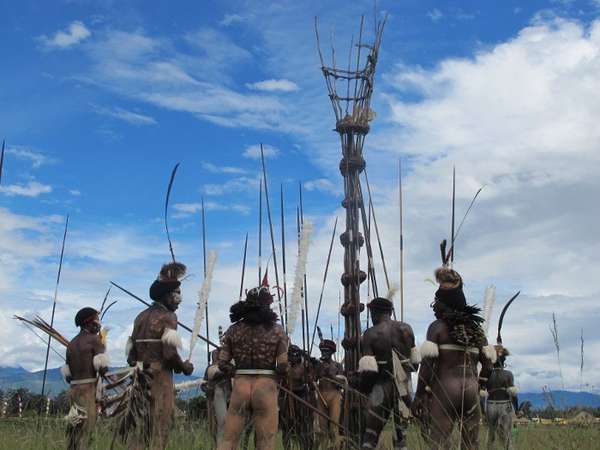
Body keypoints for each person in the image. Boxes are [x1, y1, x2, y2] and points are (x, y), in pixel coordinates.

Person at [412, 267, 496, 450]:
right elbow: (489, 365)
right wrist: (479, 383)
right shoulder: (477, 331)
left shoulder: (437, 328)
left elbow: (426, 366)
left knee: (439, 443)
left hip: (445, 390)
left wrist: (419, 395)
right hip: (471, 391)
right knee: (471, 444)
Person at [126, 262, 194, 450]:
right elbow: (169, 353)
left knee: (140, 427)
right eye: (177, 294)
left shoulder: (140, 316)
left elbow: (130, 355)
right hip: (159, 378)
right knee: (159, 428)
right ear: (167, 296)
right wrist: (184, 367)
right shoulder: (169, 317)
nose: (179, 300)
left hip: (139, 377)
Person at [217, 283, 289, 450]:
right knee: (265, 442)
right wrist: (282, 374)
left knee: (228, 441)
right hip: (265, 386)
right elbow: (283, 366)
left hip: (240, 386)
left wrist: (234, 371)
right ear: (267, 304)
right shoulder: (277, 331)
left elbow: (222, 364)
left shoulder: (233, 330)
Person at [358, 296, 420, 450]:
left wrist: (362, 387)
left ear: (374, 313)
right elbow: (415, 363)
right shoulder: (406, 328)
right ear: (389, 312)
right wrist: (403, 375)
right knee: (401, 437)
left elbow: (369, 371)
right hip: (405, 388)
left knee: (370, 436)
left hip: (381, 386)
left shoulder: (371, 334)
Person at [61, 307, 109, 450]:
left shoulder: (71, 344)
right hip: (88, 391)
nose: (99, 324)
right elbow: (102, 368)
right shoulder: (94, 340)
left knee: (74, 431)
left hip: (74, 391)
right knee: (86, 432)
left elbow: (68, 376)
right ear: (89, 323)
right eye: (97, 321)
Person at [481, 345, 517, 450]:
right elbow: (514, 395)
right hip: (505, 405)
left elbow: (482, 394)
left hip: (490, 405)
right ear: (503, 360)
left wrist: (483, 411)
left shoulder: (487, 374)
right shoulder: (508, 374)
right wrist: (518, 409)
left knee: (491, 433)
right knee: (507, 434)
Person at [280, 344, 314, 449]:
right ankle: (287, 446)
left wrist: (308, 377)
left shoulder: (305, 366)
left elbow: (311, 384)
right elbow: (279, 379)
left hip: (302, 395)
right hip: (288, 395)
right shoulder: (285, 365)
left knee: (303, 423)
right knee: (286, 424)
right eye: (291, 355)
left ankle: (306, 445)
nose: (293, 358)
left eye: (295, 355)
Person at [315, 339, 345, 449]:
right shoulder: (319, 366)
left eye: (326, 351)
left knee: (334, 426)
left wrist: (330, 375)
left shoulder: (337, 366)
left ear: (332, 352)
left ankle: (336, 446)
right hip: (321, 395)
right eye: (322, 351)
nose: (323, 354)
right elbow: (313, 379)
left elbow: (342, 384)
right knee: (322, 428)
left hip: (334, 396)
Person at [203, 347, 232, 447]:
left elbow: (229, 378)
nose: (215, 355)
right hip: (211, 398)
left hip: (227, 397)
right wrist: (208, 389)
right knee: (213, 424)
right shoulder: (209, 368)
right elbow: (203, 384)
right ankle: (215, 445)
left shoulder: (225, 367)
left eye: (216, 354)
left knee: (225, 423)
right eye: (213, 354)